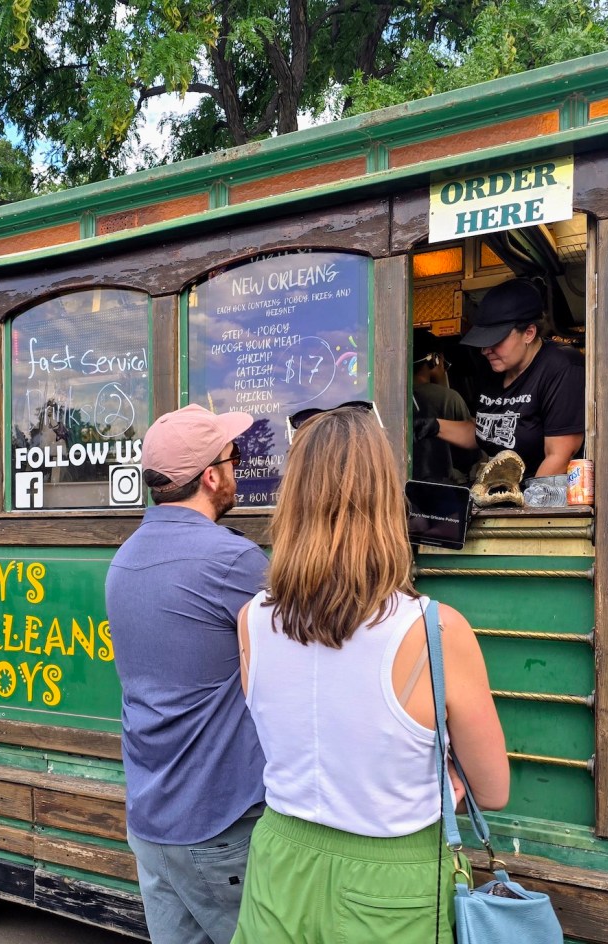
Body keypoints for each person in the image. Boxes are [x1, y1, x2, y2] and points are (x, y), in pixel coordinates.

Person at [231, 404, 508, 944]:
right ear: (386, 502)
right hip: (393, 878)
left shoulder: (251, 621)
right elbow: (493, 789)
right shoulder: (436, 630)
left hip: (278, 860)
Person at [105, 403, 269, 944]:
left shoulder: (124, 560)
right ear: (211, 475)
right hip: (217, 823)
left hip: (151, 820)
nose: (239, 467)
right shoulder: (233, 561)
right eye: (234, 456)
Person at [415, 278, 584, 479]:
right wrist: (433, 425)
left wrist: (525, 508)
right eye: (483, 342)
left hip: (543, 497)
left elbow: (559, 456)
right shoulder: (494, 367)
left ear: (529, 333)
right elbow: (484, 432)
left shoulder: (561, 367)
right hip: (503, 490)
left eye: (495, 340)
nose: (486, 350)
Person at [411, 328, 475, 483]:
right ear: (435, 359)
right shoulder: (448, 398)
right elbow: (471, 453)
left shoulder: (389, 398)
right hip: (443, 484)